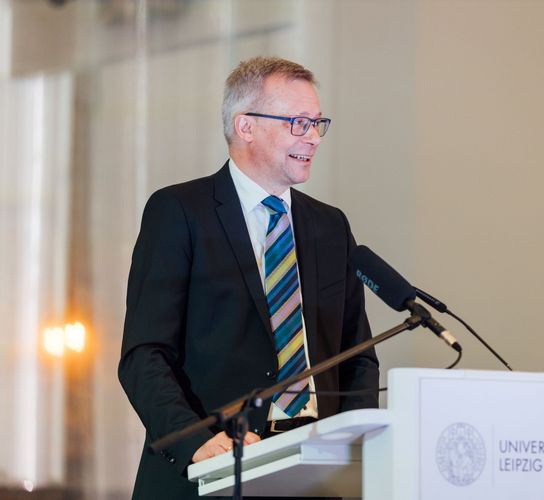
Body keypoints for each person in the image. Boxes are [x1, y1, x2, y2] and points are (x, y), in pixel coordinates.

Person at [118, 56, 380, 499]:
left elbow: (358, 356)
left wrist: (351, 450)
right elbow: (144, 354)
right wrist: (195, 440)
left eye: (318, 123)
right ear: (246, 127)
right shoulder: (180, 212)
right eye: (299, 123)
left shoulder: (330, 226)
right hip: (213, 469)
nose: (313, 137)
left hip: (315, 474)